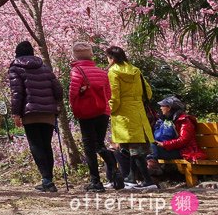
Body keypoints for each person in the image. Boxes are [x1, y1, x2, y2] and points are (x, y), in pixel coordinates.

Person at [8, 41, 63, 193]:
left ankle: (46, 180)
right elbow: (58, 89)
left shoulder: (15, 68)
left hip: (30, 112)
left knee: (36, 145)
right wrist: (56, 105)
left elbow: (17, 94)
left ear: (17, 53)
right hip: (48, 113)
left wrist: (16, 113)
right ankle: (49, 180)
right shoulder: (44, 67)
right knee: (46, 145)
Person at [69, 42, 123, 192]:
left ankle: (96, 181)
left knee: (89, 147)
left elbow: (73, 94)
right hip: (102, 111)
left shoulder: (77, 71)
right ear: (91, 54)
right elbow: (109, 94)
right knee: (99, 144)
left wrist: (75, 109)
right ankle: (113, 165)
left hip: (86, 112)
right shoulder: (102, 72)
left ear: (75, 55)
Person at [105, 46, 154, 187]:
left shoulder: (113, 72)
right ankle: (131, 178)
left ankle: (148, 181)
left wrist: (109, 110)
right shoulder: (135, 70)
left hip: (123, 114)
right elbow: (148, 92)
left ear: (112, 58)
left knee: (134, 149)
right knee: (134, 147)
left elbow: (115, 96)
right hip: (138, 112)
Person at [148, 95, 205, 180]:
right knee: (147, 146)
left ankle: (151, 173)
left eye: (162, 106)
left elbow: (183, 140)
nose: (160, 108)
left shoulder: (184, 121)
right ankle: (150, 173)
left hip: (184, 151)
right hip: (171, 149)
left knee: (151, 148)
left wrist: (164, 144)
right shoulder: (166, 120)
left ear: (169, 108)